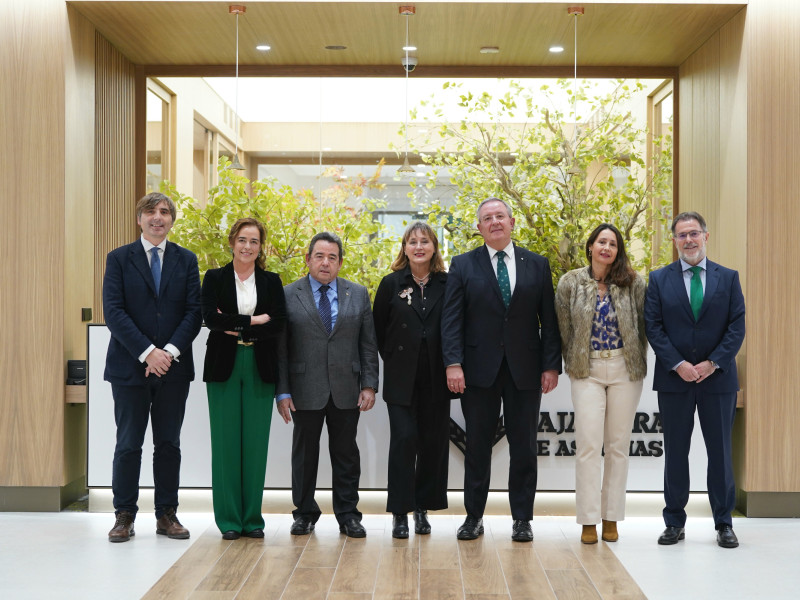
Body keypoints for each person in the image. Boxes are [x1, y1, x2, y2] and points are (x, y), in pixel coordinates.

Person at [442, 197, 562, 542]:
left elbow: (549, 322)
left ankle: (522, 519)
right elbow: (452, 320)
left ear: (512, 222)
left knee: (524, 447)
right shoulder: (463, 265)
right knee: (477, 446)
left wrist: (551, 365)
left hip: (525, 370)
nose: (494, 222)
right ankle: (473, 517)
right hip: (478, 371)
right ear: (479, 228)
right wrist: (453, 363)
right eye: (487, 218)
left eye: (500, 216)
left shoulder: (537, 264)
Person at [103, 192, 202, 543]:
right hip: (130, 368)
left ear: (172, 220)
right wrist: (148, 352)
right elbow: (113, 312)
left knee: (169, 444)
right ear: (139, 219)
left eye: (164, 212)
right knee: (128, 444)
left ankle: (166, 514)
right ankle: (124, 515)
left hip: (173, 369)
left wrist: (168, 352)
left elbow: (194, 312)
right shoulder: (118, 259)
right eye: (150, 211)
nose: (157, 217)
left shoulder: (187, 260)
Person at [644, 211, 745, 549]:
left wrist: (713, 363)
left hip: (718, 380)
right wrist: (678, 364)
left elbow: (736, 326)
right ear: (674, 241)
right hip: (675, 381)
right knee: (676, 452)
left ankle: (724, 522)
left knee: (720, 453)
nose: (688, 240)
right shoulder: (658, 279)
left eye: (694, 233)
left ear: (706, 235)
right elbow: (653, 328)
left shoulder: (728, 278)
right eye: (681, 235)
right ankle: (674, 522)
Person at [276, 232, 379, 538]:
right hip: (304, 387)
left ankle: (348, 514)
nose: (325, 263)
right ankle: (304, 512)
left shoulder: (358, 294)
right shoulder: (288, 294)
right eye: (319, 256)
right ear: (307, 259)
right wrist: (282, 390)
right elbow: (280, 348)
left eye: (332, 257)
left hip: (347, 387)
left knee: (346, 454)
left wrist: (369, 384)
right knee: (305, 455)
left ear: (340, 262)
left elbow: (368, 344)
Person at [555, 223, 647, 545]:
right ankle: (588, 521)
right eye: (601, 242)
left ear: (618, 251)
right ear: (590, 246)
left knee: (619, 447)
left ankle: (611, 518)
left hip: (624, 367)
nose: (606, 248)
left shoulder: (634, 283)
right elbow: (563, 329)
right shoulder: (570, 282)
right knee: (589, 446)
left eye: (613, 243)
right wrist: (577, 358)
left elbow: (643, 326)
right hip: (587, 369)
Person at [202, 218, 287, 540]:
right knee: (224, 445)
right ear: (232, 242)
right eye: (242, 240)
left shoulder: (271, 280)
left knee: (255, 445)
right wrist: (252, 320)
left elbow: (277, 323)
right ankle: (228, 520)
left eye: (253, 241)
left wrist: (233, 323)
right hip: (224, 365)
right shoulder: (214, 278)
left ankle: (252, 518)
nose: (247, 246)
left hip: (259, 364)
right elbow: (210, 318)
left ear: (260, 246)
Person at [372, 222, 455, 539]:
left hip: (438, 376)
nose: (419, 246)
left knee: (432, 444)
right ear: (404, 248)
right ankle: (400, 512)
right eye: (412, 241)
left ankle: (422, 508)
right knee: (404, 440)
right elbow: (378, 330)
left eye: (425, 241)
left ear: (434, 247)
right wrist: (395, 358)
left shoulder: (447, 283)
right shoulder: (391, 283)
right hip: (401, 378)